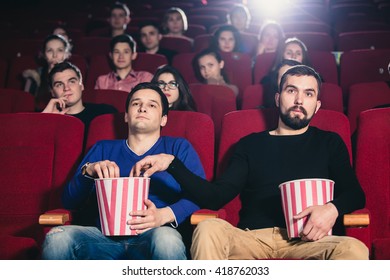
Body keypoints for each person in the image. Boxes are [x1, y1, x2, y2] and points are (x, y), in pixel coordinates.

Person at [130, 65, 369, 260]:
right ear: (278, 98)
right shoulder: (250, 145)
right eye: (291, 91)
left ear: (316, 105)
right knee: (207, 228)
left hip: (310, 242)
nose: (299, 100)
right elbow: (216, 196)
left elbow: (356, 194)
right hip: (252, 239)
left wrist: (331, 209)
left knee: (355, 250)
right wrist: (172, 163)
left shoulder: (329, 142)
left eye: (308, 93)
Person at [41, 82, 205, 260]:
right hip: (101, 238)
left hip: (155, 234)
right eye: (136, 104)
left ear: (163, 119)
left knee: (166, 239)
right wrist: (88, 171)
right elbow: (69, 202)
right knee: (57, 237)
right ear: (126, 116)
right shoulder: (103, 148)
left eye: (151, 105)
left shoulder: (178, 148)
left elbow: (201, 195)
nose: (142, 108)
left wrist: (163, 215)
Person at [42, 61, 117, 139]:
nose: (66, 88)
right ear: (52, 92)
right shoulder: (47, 118)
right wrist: (45, 120)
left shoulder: (105, 112)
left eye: (71, 82)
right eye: (59, 85)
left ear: (81, 86)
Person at [22, 34, 72, 110]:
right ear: (44, 54)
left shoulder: (73, 76)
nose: (55, 55)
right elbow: (26, 107)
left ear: (66, 54)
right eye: (50, 51)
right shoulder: (35, 76)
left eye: (60, 50)